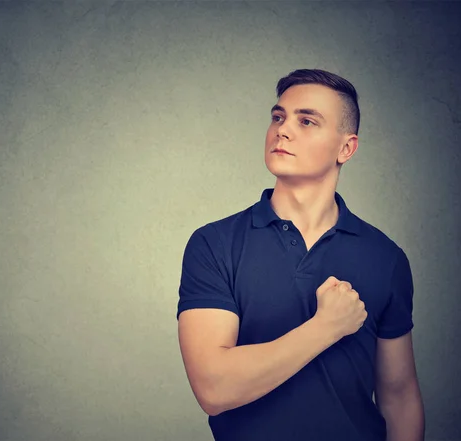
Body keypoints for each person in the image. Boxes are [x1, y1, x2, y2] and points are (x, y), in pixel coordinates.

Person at [176, 69, 425, 441]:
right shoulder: (215, 244)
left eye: (306, 120)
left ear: (347, 148)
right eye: (279, 117)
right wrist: (325, 327)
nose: (283, 129)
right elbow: (214, 389)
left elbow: (399, 397)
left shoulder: (386, 258)